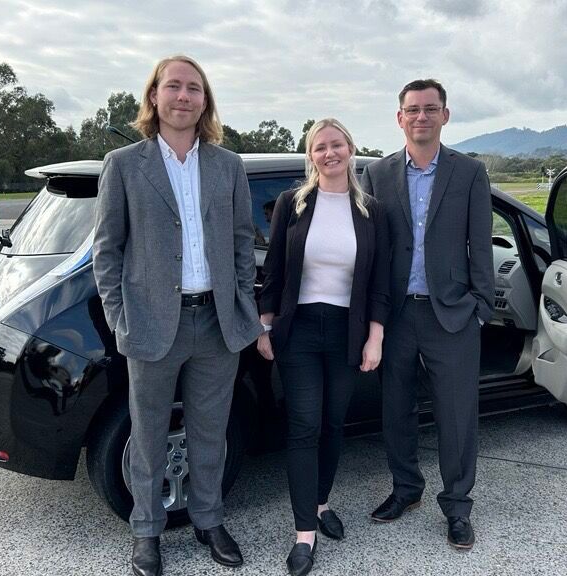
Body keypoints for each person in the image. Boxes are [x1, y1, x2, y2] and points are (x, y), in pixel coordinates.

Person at [92, 55, 261, 576]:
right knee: (147, 434)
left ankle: (210, 520)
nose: (183, 96)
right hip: (150, 324)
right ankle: (146, 532)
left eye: (194, 88)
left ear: (205, 100)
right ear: (154, 97)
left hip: (216, 323)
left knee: (211, 431)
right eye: (174, 86)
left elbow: (240, 245)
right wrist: (122, 318)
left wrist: (243, 307)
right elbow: (107, 252)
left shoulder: (228, 166)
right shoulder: (123, 164)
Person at [360, 79, 495, 550]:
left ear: (445, 115)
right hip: (396, 315)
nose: (421, 117)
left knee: (457, 416)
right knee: (396, 409)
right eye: (412, 110)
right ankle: (406, 490)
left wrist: (481, 306)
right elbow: (369, 249)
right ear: (399, 117)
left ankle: (458, 506)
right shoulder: (376, 174)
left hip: (452, 316)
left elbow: (482, 243)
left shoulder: (469, 172)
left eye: (430, 109)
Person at [257, 118, 390, 576]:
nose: (329, 153)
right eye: (319, 147)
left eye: (336, 145)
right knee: (304, 426)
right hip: (299, 332)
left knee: (335, 424)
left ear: (351, 148)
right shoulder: (292, 206)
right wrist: (263, 325)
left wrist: (375, 336)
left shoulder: (372, 210)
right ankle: (303, 535)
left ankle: (321, 502)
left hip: (347, 331)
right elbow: (274, 268)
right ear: (310, 155)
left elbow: (379, 283)